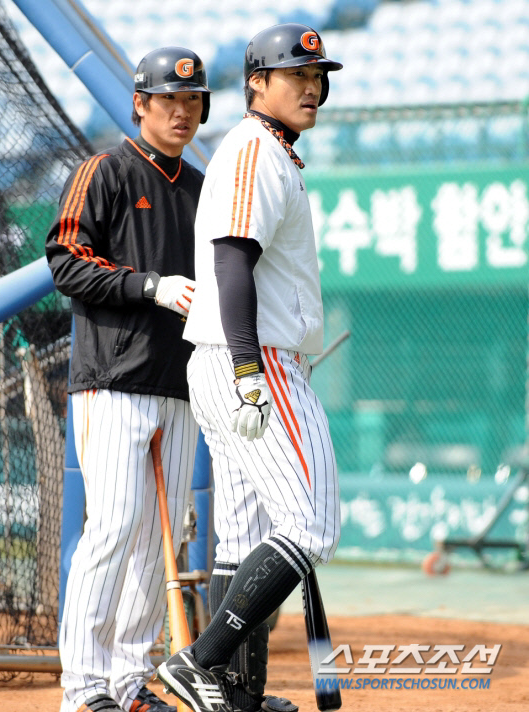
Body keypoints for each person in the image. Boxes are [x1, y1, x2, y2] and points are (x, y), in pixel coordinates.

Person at [157, 23, 343, 712]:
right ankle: (201, 661)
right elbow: (233, 260)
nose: (312, 87)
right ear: (257, 83)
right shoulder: (255, 148)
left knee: (242, 535)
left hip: (232, 360)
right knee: (312, 524)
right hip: (253, 360)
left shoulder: (268, 151)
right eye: (297, 75)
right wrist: (248, 372)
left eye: (317, 76)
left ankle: (236, 694)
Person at [45, 47, 211, 712]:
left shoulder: (202, 188)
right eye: (169, 98)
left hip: (180, 386)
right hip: (111, 383)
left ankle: (127, 681)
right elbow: (66, 261)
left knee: (152, 543)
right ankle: (83, 689)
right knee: (114, 528)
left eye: (193, 100)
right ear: (140, 103)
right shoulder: (105, 171)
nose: (182, 111)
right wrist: (149, 286)